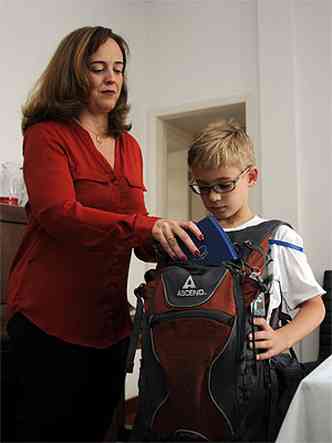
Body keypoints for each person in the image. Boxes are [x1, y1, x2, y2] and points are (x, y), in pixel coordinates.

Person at [5, 26, 202, 443]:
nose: (112, 78)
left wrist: (167, 240)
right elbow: (58, 214)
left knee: (97, 431)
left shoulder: (129, 145)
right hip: (49, 319)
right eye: (99, 69)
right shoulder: (46, 135)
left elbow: (134, 225)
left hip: (109, 324)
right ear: (74, 74)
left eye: (118, 69)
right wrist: (143, 226)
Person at [187, 119, 325, 361]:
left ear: (251, 177)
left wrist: (283, 337)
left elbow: (315, 307)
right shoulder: (192, 237)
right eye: (204, 187)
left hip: (251, 371)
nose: (214, 197)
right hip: (196, 362)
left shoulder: (278, 237)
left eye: (225, 185)